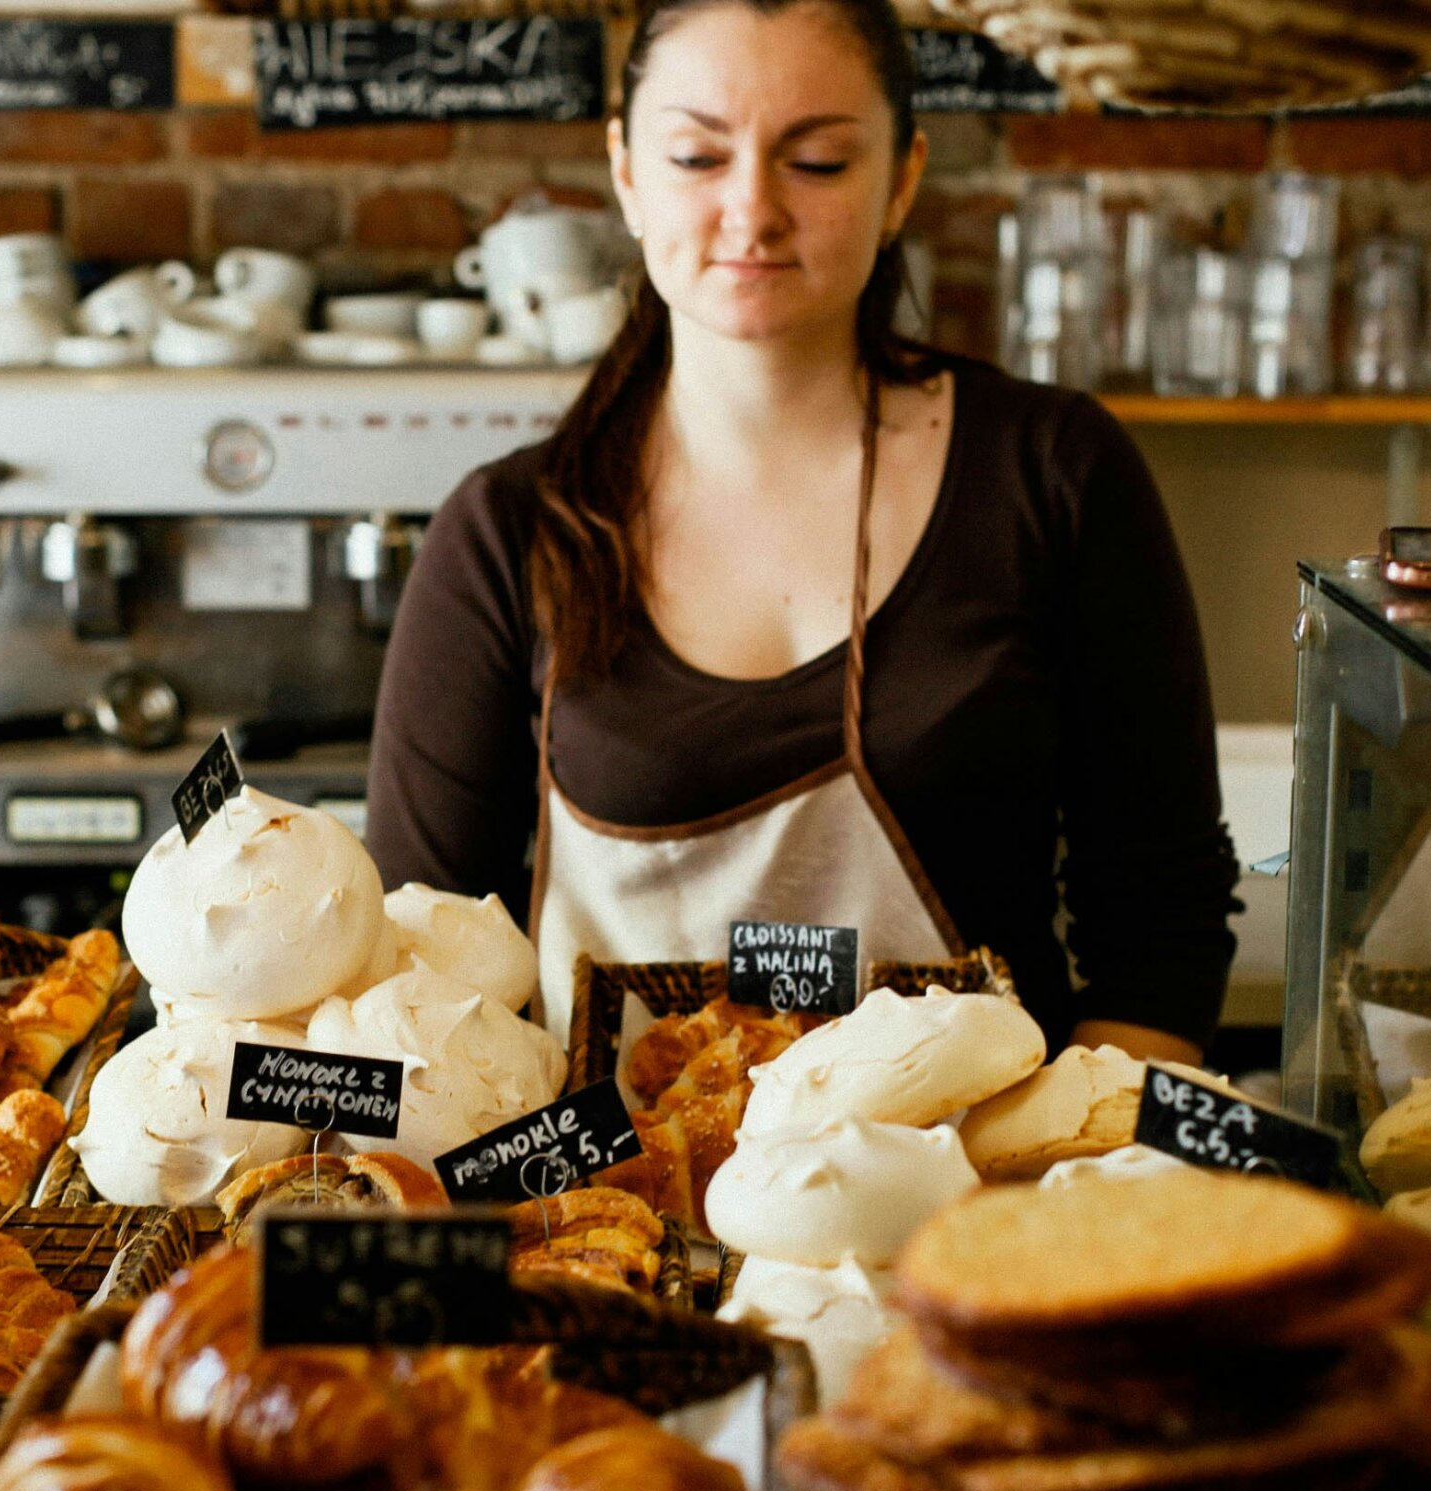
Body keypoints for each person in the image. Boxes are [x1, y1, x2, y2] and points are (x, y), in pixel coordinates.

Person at [363, 0, 1239, 1061]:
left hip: (966, 1199)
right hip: (596, 1215)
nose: (751, 211)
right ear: (626, 174)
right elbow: (414, 969)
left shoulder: (1050, 473)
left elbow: (1160, 923)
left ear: (901, 180)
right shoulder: (510, 531)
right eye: (695, 156)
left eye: (816, 162)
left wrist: (1065, 1188)